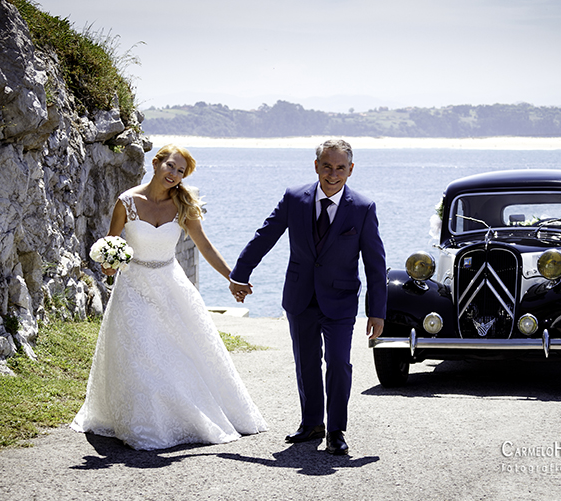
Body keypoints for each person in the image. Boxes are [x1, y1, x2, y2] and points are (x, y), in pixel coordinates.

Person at [71, 144, 268, 450]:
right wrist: (109, 263)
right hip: (133, 285)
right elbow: (112, 250)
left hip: (171, 283)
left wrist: (233, 277)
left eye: (181, 172)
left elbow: (205, 246)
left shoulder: (183, 205)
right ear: (156, 163)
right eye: (171, 166)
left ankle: (183, 415)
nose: (174, 175)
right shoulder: (127, 202)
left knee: (179, 351)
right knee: (140, 351)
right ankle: (144, 423)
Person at [229, 139, 386, 455]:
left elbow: (375, 262)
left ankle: (336, 430)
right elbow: (266, 235)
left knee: (339, 363)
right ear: (316, 166)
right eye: (326, 166)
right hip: (300, 296)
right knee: (307, 363)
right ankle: (312, 423)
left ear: (350, 170)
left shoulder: (363, 208)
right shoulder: (294, 199)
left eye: (340, 167)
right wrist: (240, 273)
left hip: (341, 301)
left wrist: (377, 310)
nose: (333, 173)